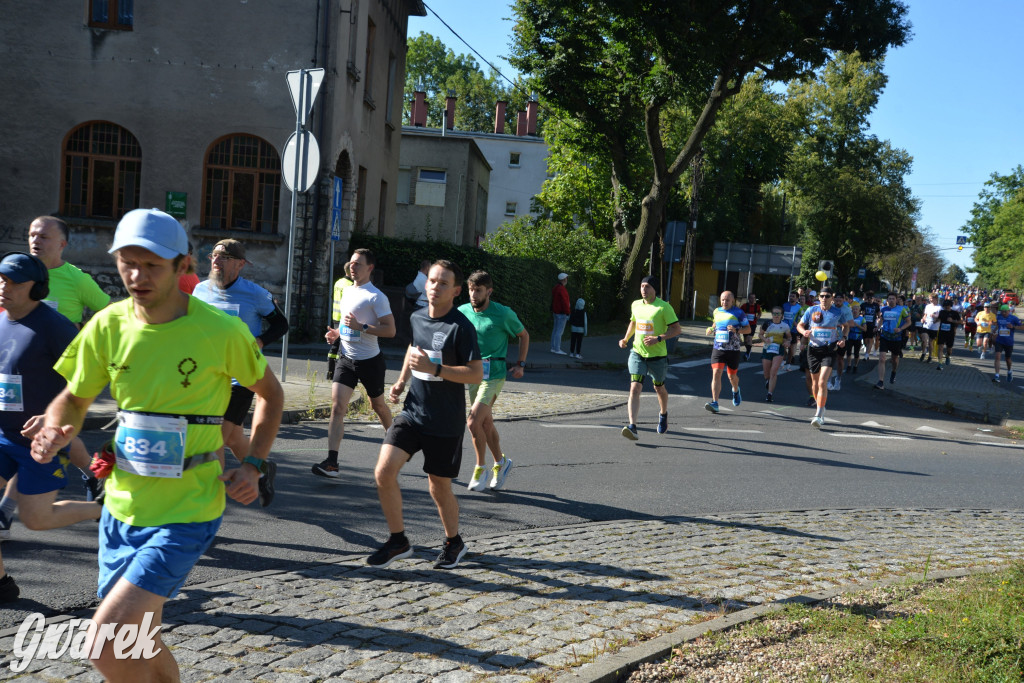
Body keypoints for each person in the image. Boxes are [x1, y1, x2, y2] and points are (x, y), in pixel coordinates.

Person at [28, 208, 283, 681]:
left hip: (188, 509)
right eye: (128, 262)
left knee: (106, 642)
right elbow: (74, 397)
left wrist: (252, 464)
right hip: (121, 508)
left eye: (151, 265)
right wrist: (54, 428)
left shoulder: (221, 330)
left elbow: (271, 394)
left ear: (183, 265)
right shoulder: (108, 325)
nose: (136, 276)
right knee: (140, 639)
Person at [0, 253, 103, 603]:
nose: (4, 287)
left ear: (37, 288)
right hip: (2, 435)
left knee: (36, 519)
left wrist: (54, 420)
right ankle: (1, 584)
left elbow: (86, 382)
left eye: (15, 282)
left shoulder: (54, 326)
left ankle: (108, 510)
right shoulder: (0, 321)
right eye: (1, 279)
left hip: (41, 443)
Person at [369, 260, 481, 570]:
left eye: (444, 283)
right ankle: (398, 540)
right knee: (383, 471)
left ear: (456, 291)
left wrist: (436, 370)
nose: (435, 287)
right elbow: (413, 349)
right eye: (432, 281)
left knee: (438, 486)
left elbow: (475, 374)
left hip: (445, 420)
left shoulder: (461, 327)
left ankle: (454, 542)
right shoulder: (418, 317)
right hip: (413, 413)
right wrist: (402, 381)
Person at [192, 239, 290, 506]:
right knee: (234, 437)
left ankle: (211, 508)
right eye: (214, 255)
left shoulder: (255, 293)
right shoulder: (200, 291)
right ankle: (263, 468)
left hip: (240, 379)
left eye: (223, 257)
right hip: (208, 378)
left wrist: (259, 342)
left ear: (240, 264)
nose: (216, 261)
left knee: (215, 441)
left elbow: (281, 324)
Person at [315, 248, 396, 478]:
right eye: (351, 263)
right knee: (337, 407)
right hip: (346, 359)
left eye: (358, 264)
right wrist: (337, 334)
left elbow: (390, 330)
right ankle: (332, 463)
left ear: (370, 268)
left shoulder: (376, 297)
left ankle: (396, 443)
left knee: (378, 406)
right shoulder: (348, 291)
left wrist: (363, 328)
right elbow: (346, 322)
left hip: (370, 362)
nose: (352, 267)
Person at [458, 271, 528, 492]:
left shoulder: (503, 314)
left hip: (494, 374)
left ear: (489, 291)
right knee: (485, 424)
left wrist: (521, 364)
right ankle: (502, 463)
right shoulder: (462, 312)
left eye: (478, 290)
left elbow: (523, 335)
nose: (473, 294)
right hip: (472, 373)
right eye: (471, 289)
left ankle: (480, 467)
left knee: (472, 422)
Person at [619, 276, 682, 438]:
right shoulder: (636, 305)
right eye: (641, 286)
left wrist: (659, 338)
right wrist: (626, 339)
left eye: (647, 287)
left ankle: (663, 414)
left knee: (659, 388)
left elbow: (676, 329)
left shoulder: (664, 307)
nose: (643, 290)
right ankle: (632, 426)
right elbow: (634, 322)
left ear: (654, 289)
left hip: (657, 356)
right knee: (635, 387)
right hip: (637, 353)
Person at [28, 216, 111, 327]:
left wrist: (81, 328)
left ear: (62, 244)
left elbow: (112, 314)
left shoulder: (78, 279)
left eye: (43, 237)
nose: (35, 241)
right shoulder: (17, 272)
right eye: (32, 235)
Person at [796, 288, 849, 428]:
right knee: (814, 384)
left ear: (832, 298)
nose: (824, 298)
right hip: (813, 350)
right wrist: (804, 332)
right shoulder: (811, 310)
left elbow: (846, 326)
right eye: (822, 296)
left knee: (822, 382)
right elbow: (799, 325)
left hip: (829, 350)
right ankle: (821, 405)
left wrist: (843, 337)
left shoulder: (838, 312)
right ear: (818, 298)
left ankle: (819, 414)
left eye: (827, 296)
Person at [703, 291, 750, 414]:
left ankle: (735, 390)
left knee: (731, 376)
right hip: (718, 348)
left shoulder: (739, 313)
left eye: (727, 300)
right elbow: (716, 322)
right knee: (716, 373)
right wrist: (711, 328)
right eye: (723, 300)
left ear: (733, 301)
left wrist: (736, 330)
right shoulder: (717, 311)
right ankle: (715, 402)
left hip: (733, 349)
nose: (725, 302)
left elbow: (748, 329)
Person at [874, 292, 911, 389]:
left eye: (893, 299)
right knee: (882, 358)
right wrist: (877, 327)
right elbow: (881, 319)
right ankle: (880, 381)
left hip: (896, 338)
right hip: (885, 336)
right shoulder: (884, 309)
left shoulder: (902, 309)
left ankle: (894, 372)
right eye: (889, 298)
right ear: (887, 300)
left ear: (896, 300)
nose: (891, 300)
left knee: (894, 359)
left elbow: (908, 322)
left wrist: (900, 329)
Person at [326, 261, 354, 380]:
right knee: (342, 347)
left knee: (334, 347)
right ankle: (338, 373)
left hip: (335, 316)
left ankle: (330, 372)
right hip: (343, 319)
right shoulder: (349, 285)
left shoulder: (339, 282)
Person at [757, 306, 791, 403]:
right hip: (767, 349)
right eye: (774, 314)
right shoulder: (767, 323)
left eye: (778, 314)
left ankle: (769, 394)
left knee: (774, 372)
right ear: (772, 315)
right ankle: (768, 381)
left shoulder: (785, 326)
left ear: (781, 315)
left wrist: (787, 342)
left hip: (779, 349)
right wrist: (765, 339)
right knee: (766, 374)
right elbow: (760, 334)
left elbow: (789, 337)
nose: (776, 316)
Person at [992, 304, 1021, 383]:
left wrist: (1013, 327)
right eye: (1002, 312)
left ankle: (1009, 371)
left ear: (1009, 311)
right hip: (999, 340)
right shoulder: (999, 317)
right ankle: (997, 376)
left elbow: (1022, 326)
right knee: (997, 356)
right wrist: (994, 330)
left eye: (1005, 312)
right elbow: (998, 324)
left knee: (1007, 359)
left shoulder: (1013, 318)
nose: (1003, 313)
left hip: (1009, 342)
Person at [935, 298, 962, 369]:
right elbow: (939, 319)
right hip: (942, 332)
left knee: (949, 349)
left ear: (951, 305)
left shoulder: (954, 313)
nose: (947, 307)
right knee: (940, 347)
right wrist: (935, 319)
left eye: (948, 305)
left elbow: (960, 322)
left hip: (950, 333)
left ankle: (948, 356)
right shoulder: (942, 312)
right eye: (946, 305)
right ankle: (940, 363)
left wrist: (952, 320)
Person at [781, 292, 803, 370]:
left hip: (793, 330)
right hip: (784, 329)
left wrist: (797, 323)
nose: (791, 297)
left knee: (791, 349)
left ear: (797, 298)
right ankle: (784, 358)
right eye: (790, 296)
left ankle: (788, 363)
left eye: (793, 296)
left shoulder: (799, 307)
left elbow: (802, 318)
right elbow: (781, 314)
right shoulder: (785, 305)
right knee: (783, 345)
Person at [550, 272, 570, 355]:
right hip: (561, 313)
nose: (567, 280)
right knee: (559, 331)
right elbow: (565, 302)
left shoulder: (556, 288)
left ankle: (553, 347)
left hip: (556, 311)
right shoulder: (562, 289)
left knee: (555, 330)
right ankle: (557, 349)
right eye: (566, 278)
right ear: (564, 279)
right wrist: (568, 312)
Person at [739, 293, 762, 361]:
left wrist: (758, 316)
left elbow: (759, 313)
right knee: (746, 341)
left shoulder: (757, 306)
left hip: (753, 325)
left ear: (755, 299)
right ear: (748, 298)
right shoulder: (744, 306)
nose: (752, 299)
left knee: (749, 338)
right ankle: (748, 350)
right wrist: (744, 314)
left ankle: (747, 353)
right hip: (745, 325)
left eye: (754, 298)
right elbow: (739, 313)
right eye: (751, 298)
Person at [844, 301, 866, 374]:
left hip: (858, 337)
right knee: (848, 352)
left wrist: (857, 325)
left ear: (859, 311)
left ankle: (855, 366)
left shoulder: (862, 319)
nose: (855, 311)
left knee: (856, 353)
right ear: (852, 310)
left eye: (856, 309)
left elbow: (865, 329)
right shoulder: (849, 318)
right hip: (850, 336)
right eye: (854, 309)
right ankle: (849, 365)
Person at [920, 293, 941, 363]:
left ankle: (930, 356)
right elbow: (925, 315)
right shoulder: (927, 306)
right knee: (924, 340)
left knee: (930, 342)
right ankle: (923, 353)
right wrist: (922, 319)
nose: (930, 299)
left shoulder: (939, 308)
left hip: (934, 327)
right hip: (926, 325)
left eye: (931, 298)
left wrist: (937, 320)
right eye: (929, 298)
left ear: (936, 299)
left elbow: (941, 318)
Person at [860, 291, 879, 358]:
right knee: (865, 340)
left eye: (871, 298)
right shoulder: (863, 305)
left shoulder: (876, 305)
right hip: (864, 324)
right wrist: (862, 314)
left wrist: (877, 323)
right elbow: (860, 313)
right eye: (868, 298)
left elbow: (878, 314)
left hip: (872, 324)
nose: (869, 299)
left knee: (870, 339)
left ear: (873, 298)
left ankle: (867, 354)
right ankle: (866, 350)